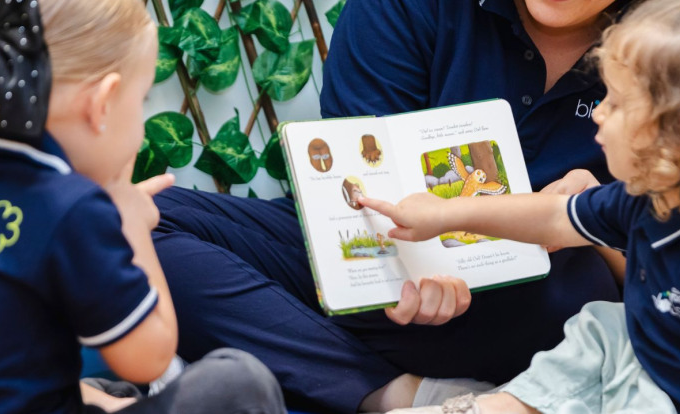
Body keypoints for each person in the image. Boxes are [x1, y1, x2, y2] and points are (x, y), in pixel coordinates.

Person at [151, 0, 638, 412]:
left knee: (585, 286)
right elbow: (354, 179)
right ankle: (396, 393)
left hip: (536, 304)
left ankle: (312, 360)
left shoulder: (672, 46)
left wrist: (596, 218)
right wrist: (421, 264)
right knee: (139, 222)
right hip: (371, 262)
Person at [363, 0, 680, 412]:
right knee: (600, 324)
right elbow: (552, 216)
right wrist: (446, 213)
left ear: (679, 133)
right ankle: (503, 403)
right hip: (668, 348)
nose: (597, 111)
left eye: (615, 103)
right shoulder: (654, 196)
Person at [0, 0, 284, 412]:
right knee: (239, 384)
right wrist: (131, 223)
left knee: (104, 390)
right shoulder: (69, 206)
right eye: (141, 102)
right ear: (102, 104)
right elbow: (150, 356)